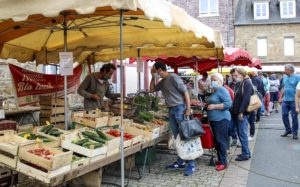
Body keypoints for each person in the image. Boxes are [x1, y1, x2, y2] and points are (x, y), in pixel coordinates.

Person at [149, 62, 194, 176]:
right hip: (171, 110)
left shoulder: (173, 77)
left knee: (185, 136)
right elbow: (152, 90)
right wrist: (152, 77)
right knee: (177, 137)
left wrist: (188, 108)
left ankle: (191, 165)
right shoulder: (162, 81)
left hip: (179, 109)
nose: (154, 72)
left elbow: (185, 93)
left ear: (160, 69)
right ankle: (181, 161)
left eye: (154, 70)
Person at [207, 73, 232, 171]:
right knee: (217, 140)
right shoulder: (216, 91)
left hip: (221, 119)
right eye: (211, 80)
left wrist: (214, 106)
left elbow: (228, 104)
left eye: (214, 80)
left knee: (221, 140)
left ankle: (223, 162)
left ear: (220, 81)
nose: (212, 82)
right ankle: (220, 159)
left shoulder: (222, 90)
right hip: (215, 119)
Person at [232, 68, 252, 161]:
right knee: (241, 133)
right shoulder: (242, 83)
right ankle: (246, 152)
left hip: (241, 113)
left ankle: (245, 154)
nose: (235, 77)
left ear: (241, 74)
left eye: (237, 75)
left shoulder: (247, 82)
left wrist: (241, 112)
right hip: (238, 112)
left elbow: (246, 99)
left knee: (242, 133)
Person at [279, 64, 299, 140]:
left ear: (290, 70)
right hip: (285, 100)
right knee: (284, 115)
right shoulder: (284, 77)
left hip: (294, 101)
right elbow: (283, 88)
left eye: (285, 69)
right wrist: (280, 97)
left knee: (294, 117)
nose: (284, 71)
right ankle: (288, 130)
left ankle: (295, 133)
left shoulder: (298, 77)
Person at [248, 71, 264, 139]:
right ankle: (258, 118)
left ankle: (251, 134)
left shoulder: (253, 80)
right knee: (257, 109)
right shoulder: (260, 79)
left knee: (251, 117)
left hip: (254, 97)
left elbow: (254, 88)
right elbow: (262, 88)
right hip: (259, 95)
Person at [228, 68, 240, 147]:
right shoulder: (230, 84)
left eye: (235, 75)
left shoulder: (241, 84)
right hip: (231, 108)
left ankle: (239, 140)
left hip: (239, 108)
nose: (234, 77)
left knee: (239, 126)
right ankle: (234, 138)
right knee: (231, 125)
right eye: (232, 75)